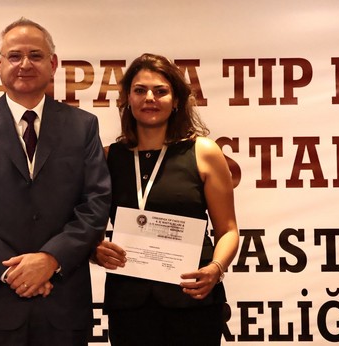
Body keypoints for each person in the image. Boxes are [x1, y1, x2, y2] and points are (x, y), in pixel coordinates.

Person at [0, 17, 111, 346]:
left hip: (63, 300)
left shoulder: (83, 126)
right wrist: (12, 271)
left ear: (53, 64)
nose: (25, 64)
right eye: (15, 56)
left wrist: (51, 259)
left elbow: (96, 203)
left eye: (36, 55)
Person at [92, 53, 239, 345]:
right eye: (140, 90)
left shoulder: (203, 152)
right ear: (127, 99)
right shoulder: (108, 157)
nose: (150, 98)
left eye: (160, 91)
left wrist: (216, 269)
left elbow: (228, 231)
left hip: (192, 296)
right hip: (130, 302)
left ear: (176, 100)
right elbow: (89, 227)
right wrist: (94, 251)